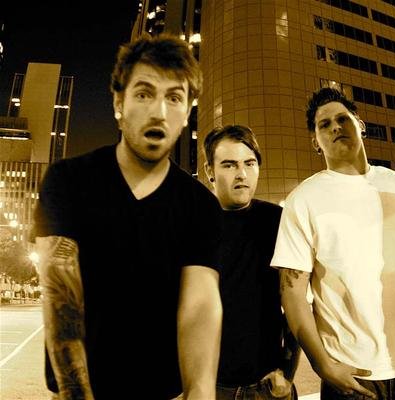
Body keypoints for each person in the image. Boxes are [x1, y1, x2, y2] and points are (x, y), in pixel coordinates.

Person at [33, 33, 223, 400]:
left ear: (187, 113)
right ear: (118, 103)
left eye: (174, 97)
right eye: (144, 93)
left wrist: (201, 391)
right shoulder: (69, 180)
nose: (159, 111)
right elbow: (62, 307)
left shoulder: (200, 205)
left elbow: (199, 306)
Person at [271, 87, 395, 399]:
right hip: (350, 377)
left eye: (343, 119)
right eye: (324, 124)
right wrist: (323, 364)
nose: (335, 127)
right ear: (315, 142)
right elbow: (293, 293)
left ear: (361, 125)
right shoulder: (303, 200)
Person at [202, 125, 301, 400]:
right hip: (211, 387)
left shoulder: (278, 222)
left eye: (249, 163)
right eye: (229, 165)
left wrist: (288, 371)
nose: (242, 174)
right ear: (210, 171)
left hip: (269, 386)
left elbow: (296, 302)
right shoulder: (192, 226)